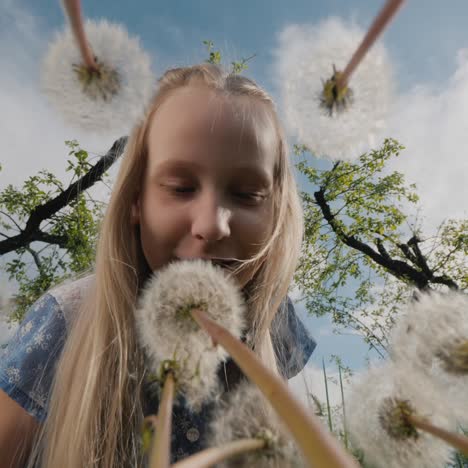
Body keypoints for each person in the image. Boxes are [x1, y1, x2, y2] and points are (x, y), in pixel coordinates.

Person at [0, 63, 316, 468]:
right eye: (181, 188)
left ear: (276, 213)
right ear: (135, 200)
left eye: (246, 194)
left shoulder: (274, 318)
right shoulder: (65, 322)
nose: (212, 225)